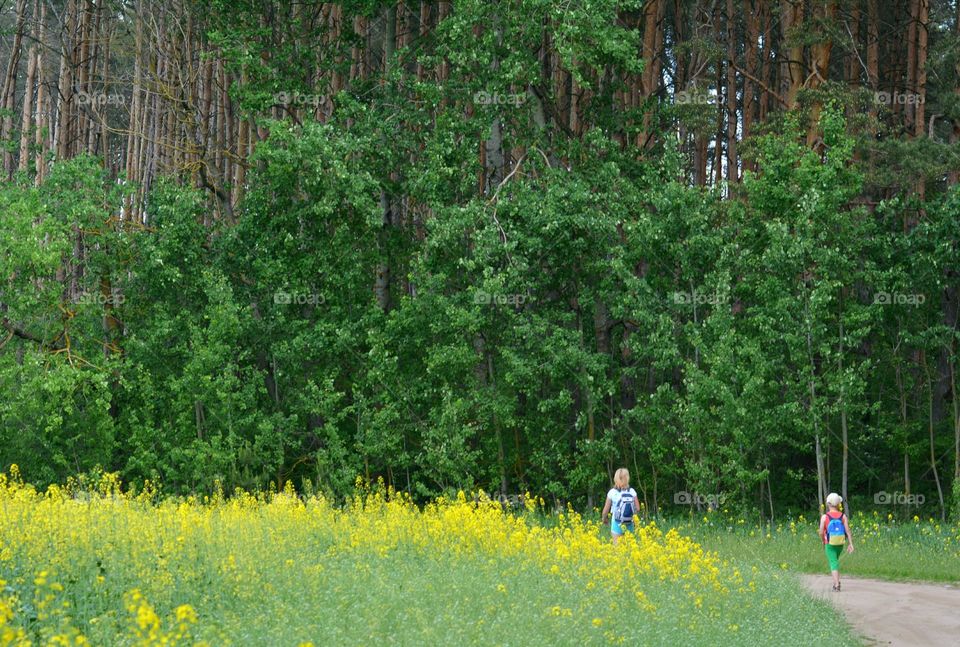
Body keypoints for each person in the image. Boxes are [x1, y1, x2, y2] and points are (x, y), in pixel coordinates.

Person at [819, 492, 854, 592]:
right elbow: (847, 531)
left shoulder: (824, 517)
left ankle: (837, 585)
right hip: (840, 543)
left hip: (829, 543)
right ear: (838, 504)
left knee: (833, 563)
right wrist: (851, 544)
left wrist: (823, 541)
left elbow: (821, 532)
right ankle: (837, 581)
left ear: (828, 504)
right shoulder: (843, 516)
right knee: (835, 562)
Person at [601, 468, 639, 545]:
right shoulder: (632, 491)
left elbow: (605, 511)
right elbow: (638, 508)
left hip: (617, 523)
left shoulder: (612, 492)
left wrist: (604, 519)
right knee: (629, 549)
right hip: (629, 523)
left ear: (616, 478)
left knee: (618, 551)